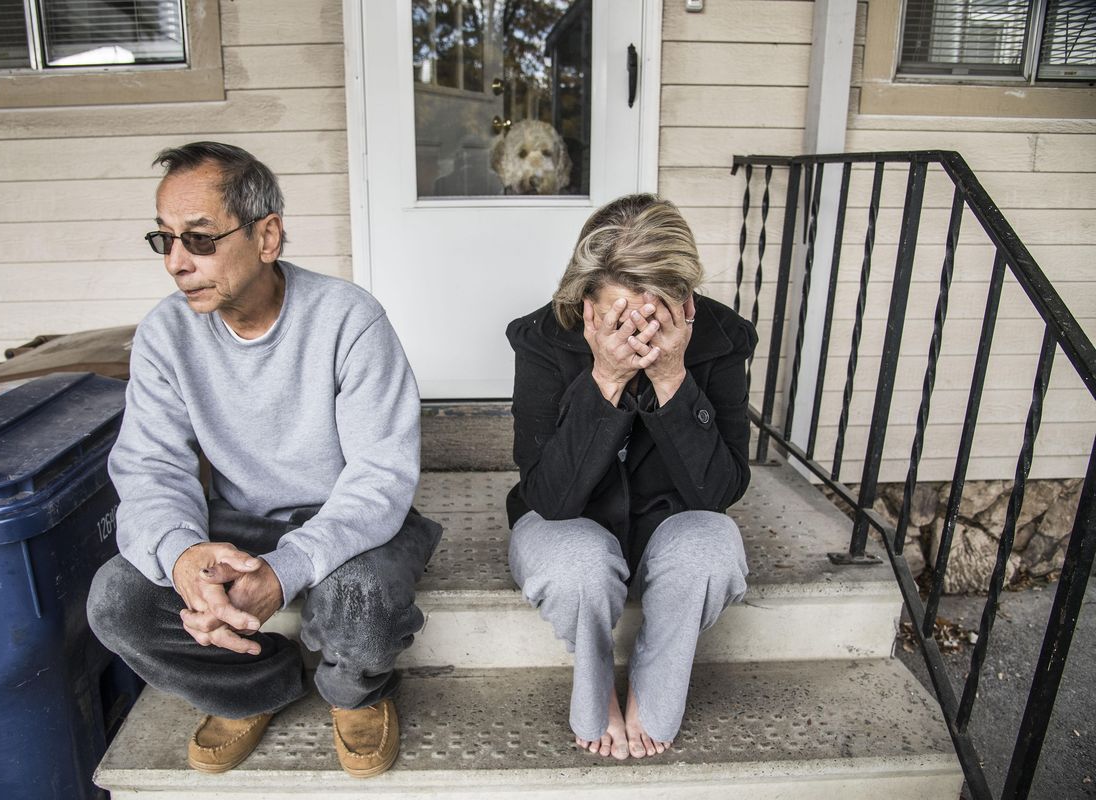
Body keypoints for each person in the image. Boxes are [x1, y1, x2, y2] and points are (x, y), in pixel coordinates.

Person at [87, 141, 441, 779]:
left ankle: (355, 691)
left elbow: (379, 479)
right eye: (162, 239)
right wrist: (182, 554)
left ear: (268, 235)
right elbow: (150, 470)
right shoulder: (165, 335)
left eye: (198, 238)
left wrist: (288, 569)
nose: (174, 262)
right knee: (118, 601)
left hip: (349, 518)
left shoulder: (349, 319)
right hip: (238, 520)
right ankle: (250, 685)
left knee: (363, 599)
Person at [504, 194, 754, 759]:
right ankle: (597, 697)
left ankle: (652, 690)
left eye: (654, 315)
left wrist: (672, 378)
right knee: (577, 563)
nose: (635, 332)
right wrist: (605, 379)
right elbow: (551, 497)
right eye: (617, 317)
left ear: (686, 305)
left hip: (671, 523)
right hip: (568, 526)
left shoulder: (722, 339)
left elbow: (718, 493)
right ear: (586, 305)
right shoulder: (542, 340)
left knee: (711, 550)